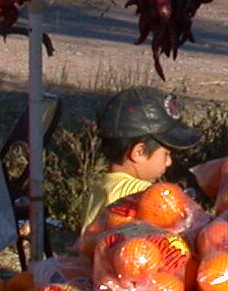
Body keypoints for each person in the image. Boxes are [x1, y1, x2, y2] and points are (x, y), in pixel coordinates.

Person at [80, 87, 202, 231]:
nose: (169, 162)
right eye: (166, 154)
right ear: (139, 152)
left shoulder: (99, 187)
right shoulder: (141, 196)